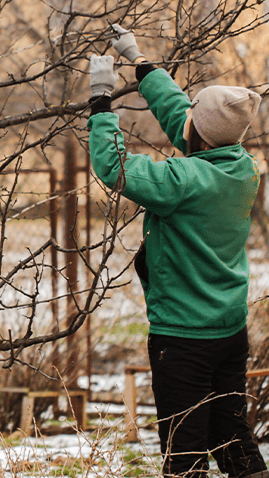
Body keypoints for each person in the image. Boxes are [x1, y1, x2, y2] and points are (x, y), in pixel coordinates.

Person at [88, 24, 268, 478]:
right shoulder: (242, 169)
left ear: (199, 138)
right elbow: (185, 120)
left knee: (184, 455)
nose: (184, 121)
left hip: (183, 339)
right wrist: (142, 63)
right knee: (231, 438)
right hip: (228, 332)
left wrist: (101, 101)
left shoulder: (182, 183)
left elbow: (114, 167)